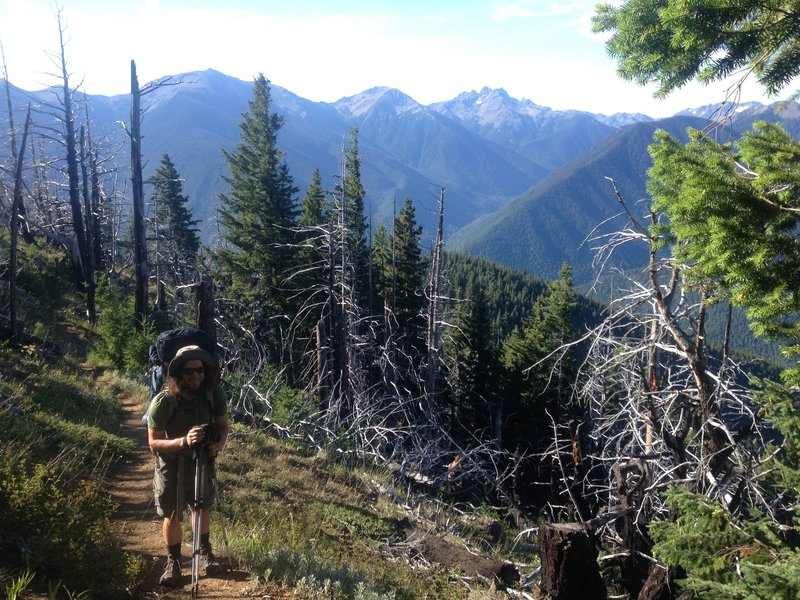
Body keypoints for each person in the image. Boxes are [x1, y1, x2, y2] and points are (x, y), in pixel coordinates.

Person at [147, 344, 229, 586]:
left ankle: (205, 552)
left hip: (202, 459)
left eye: (200, 371)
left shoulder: (214, 395)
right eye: (190, 372)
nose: (196, 376)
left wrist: (218, 446)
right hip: (171, 463)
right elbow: (153, 443)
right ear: (179, 374)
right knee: (172, 512)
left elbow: (223, 426)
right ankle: (173, 561)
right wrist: (183, 440)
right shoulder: (164, 401)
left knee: (200, 506)